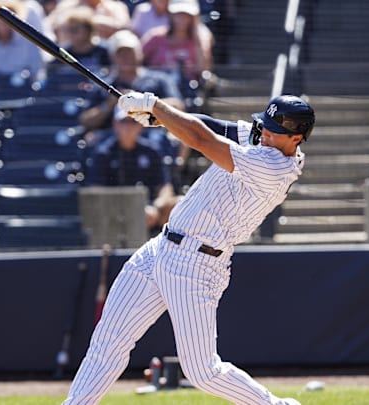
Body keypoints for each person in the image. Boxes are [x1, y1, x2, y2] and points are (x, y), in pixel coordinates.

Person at [62, 92, 315, 405]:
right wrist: (161, 120)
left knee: (203, 371)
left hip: (197, 264)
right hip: (161, 246)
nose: (263, 133)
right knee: (108, 341)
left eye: (273, 131)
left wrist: (155, 106)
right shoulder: (264, 139)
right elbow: (213, 126)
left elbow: (203, 140)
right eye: (264, 126)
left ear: (297, 138)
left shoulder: (275, 166)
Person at [87, 107, 176, 231]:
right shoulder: (103, 153)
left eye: (133, 121)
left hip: (149, 208)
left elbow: (164, 186)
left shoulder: (151, 150)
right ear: (115, 124)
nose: (128, 127)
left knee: (178, 204)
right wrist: (132, 209)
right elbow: (96, 192)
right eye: (123, 122)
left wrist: (156, 206)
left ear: (140, 125)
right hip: (115, 209)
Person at [78, 29, 183, 132]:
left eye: (130, 51)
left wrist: (146, 103)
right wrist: (108, 105)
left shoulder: (160, 79)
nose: (126, 57)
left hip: (154, 137)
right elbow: (86, 121)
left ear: (139, 53)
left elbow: (178, 107)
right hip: (113, 143)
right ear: (112, 57)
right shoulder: (104, 85)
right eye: (120, 53)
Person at [141, 0, 213, 81]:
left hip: (188, 88)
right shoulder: (155, 37)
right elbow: (136, 62)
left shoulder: (199, 40)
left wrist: (197, 36)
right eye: (178, 14)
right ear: (171, 15)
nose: (182, 19)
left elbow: (203, 70)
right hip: (156, 87)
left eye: (186, 15)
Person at [47, 6, 110, 76]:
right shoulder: (63, 53)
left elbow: (110, 75)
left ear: (88, 30)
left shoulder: (103, 51)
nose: (70, 33)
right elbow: (52, 76)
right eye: (67, 29)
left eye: (74, 29)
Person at [46, 0, 129, 40]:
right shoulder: (66, 6)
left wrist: (90, 21)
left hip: (106, 58)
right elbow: (51, 25)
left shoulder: (115, 7)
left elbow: (124, 27)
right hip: (70, 55)